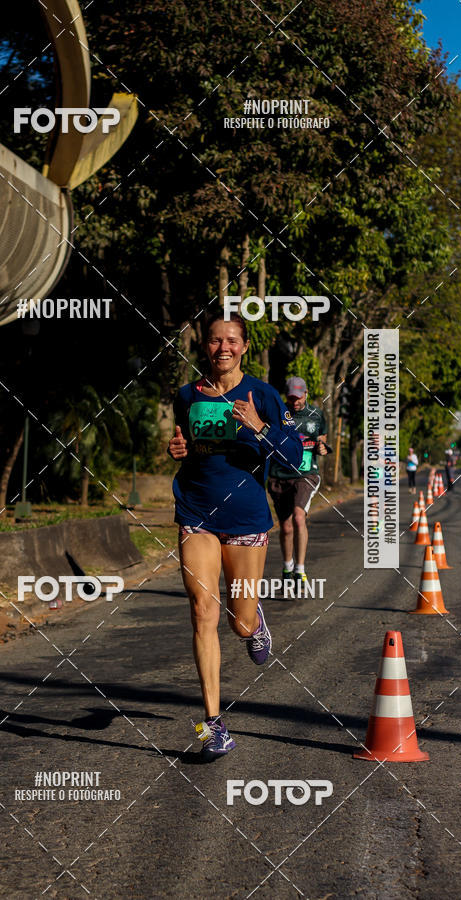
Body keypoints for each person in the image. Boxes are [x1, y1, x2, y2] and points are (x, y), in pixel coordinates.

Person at [168, 311, 303, 760]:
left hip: (246, 520)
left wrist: (259, 427)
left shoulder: (261, 394)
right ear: (204, 346)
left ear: (244, 346)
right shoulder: (186, 395)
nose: (222, 347)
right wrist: (178, 449)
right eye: (213, 340)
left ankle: (253, 621)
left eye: (231, 340)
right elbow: (187, 446)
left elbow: (294, 455)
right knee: (202, 610)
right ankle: (213, 724)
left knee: (238, 621)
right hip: (196, 512)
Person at [267, 376, 328, 589]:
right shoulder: (277, 413)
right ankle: (287, 567)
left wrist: (321, 448)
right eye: (291, 398)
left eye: (299, 397)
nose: (295, 402)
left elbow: (322, 441)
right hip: (279, 475)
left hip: (306, 474)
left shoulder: (317, 415)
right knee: (285, 527)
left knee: (299, 517)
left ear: (306, 393)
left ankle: (300, 570)